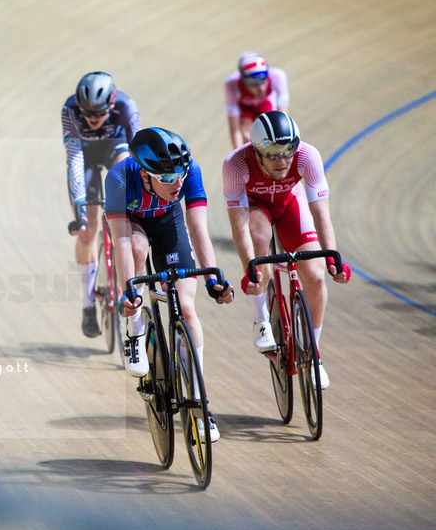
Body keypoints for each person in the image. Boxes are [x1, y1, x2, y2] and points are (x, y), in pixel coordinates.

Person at [105, 128, 233, 441]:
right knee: (136, 249)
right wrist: (128, 292)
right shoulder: (120, 177)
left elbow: (198, 228)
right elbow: (120, 240)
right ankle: (135, 330)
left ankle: (200, 402)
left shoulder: (189, 171)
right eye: (167, 179)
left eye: (180, 175)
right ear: (146, 175)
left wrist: (212, 277)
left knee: (186, 307)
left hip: (167, 223)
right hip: (132, 224)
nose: (177, 184)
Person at [223, 110, 351, 389]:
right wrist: (251, 269)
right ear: (257, 151)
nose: (282, 160)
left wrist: (333, 258)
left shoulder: (307, 156)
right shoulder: (236, 165)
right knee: (258, 236)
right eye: (272, 154)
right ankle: (261, 320)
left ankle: (314, 355)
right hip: (255, 205)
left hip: (290, 202)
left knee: (315, 278)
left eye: (287, 151)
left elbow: (320, 214)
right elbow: (239, 226)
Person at [61, 71, 141, 337]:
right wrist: (80, 208)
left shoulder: (126, 107)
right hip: (84, 156)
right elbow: (73, 158)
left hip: (115, 148)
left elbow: (138, 155)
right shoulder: (70, 109)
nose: (92, 120)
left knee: (125, 162)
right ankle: (87, 305)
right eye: (87, 115)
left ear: (111, 105)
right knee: (87, 231)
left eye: (98, 115)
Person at [224, 52, 289, 149]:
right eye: (254, 84)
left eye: (263, 80)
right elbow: (234, 127)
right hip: (246, 108)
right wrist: (238, 154)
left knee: (272, 130)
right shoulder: (232, 83)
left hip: (266, 103)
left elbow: (283, 118)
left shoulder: (277, 76)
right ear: (243, 80)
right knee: (246, 133)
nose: (261, 88)